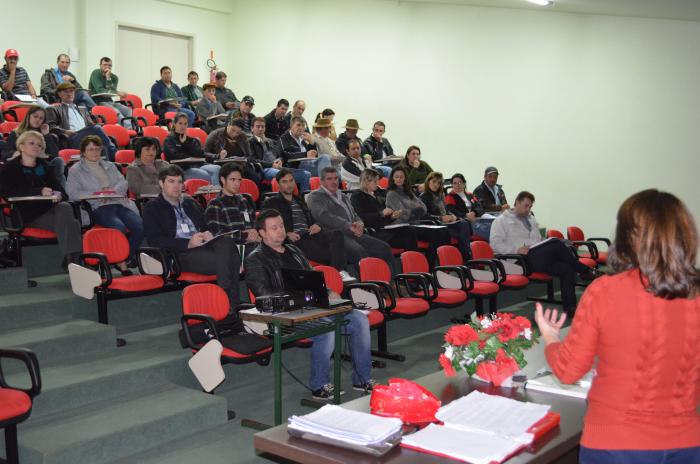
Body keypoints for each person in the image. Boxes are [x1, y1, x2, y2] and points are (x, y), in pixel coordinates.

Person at [535, 189, 700, 464]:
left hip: (614, 446)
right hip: (687, 443)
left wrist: (551, 338)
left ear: (627, 237)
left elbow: (567, 371)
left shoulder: (605, 291)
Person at [245, 209, 374, 399]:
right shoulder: (255, 259)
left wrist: (326, 291)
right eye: (274, 228)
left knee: (359, 320)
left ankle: (362, 378)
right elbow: (262, 294)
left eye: (281, 226)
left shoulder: (295, 250)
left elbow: (312, 278)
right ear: (262, 233)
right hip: (286, 315)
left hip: (313, 306)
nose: (280, 231)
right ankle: (319, 385)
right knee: (326, 328)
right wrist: (299, 297)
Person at [143, 165, 242, 309]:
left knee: (226, 241)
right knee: (230, 260)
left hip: (203, 247)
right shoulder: (152, 208)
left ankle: (228, 305)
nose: (177, 186)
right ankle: (230, 305)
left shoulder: (190, 203)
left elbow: (205, 226)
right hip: (180, 254)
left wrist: (209, 234)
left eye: (179, 182)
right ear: (161, 183)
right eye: (171, 181)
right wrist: (188, 243)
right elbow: (155, 240)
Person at [490, 191, 597, 316]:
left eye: (530, 207)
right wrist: (516, 249)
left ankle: (570, 308)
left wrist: (544, 242)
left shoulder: (531, 219)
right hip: (519, 259)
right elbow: (495, 244)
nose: (528, 209)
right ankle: (585, 271)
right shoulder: (501, 221)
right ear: (517, 202)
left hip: (537, 256)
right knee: (557, 243)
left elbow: (538, 240)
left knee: (566, 268)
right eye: (526, 206)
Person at [0, 130, 82, 269]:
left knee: (65, 207)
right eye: (31, 143)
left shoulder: (46, 167)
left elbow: (61, 190)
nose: (36, 147)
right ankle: (76, 259)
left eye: (39, 145)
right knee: (72, 222)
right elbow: (8, 193)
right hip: (26, 214)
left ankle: (71, 260)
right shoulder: (9, 169)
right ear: (21, 146)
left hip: (50, 210)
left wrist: (59, 195)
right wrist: (39, 191)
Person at [66, 136, 143, 272]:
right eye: (91, 149)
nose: (95, 152)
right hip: (97, 206)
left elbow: (123, 183)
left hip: (118, 203)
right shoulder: (75, 170)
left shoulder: (110, 165)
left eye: (97, 149)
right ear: (83, 152)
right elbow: (72, 193)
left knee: (140, 226)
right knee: (118, 227)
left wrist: (113, 191)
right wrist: (97, 193)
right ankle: (121, 262)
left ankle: (125, 257)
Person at [262, 168, 351, 279]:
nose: (289, 184)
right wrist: (287, 233)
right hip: (297, 238)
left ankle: (339, 273)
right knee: (334, 254)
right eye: (284, 182)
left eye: (291, 180)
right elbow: (267, 223)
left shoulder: (299, 200)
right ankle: (338, 275)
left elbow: (311, 218)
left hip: (311, 234)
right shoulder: (271, 202)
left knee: (336, 234)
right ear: (278, 185)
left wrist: (317, 225)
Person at [306, 167, 395, 273]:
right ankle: (371, 285)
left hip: (354, 232)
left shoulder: (343, 196)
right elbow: (325, 217)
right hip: (336, 235)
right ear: (321, 181)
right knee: (359, 252)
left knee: (384, 248)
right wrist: (348, 225)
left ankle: (392, 283)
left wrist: (360, 224)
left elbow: (355, 214)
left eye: (336, 178)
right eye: (329, 179)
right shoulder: (315, 196)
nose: (334, 181)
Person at [384, 166, 451, 266]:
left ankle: (434, 263)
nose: (399, 179)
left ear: (405, 178)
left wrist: (409, 210)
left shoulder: (409, 192)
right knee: (437, 234)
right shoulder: (391, 194)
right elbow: (403, 216)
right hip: (404, 227)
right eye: (396, 177)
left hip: (415, 223)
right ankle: (430, 266)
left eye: (401, 177)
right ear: (392, 178)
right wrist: (414, 209)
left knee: (444, 232)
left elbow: (423, 208)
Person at [351, 169, 422, 254]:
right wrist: (381, 214)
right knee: (408, 236)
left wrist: (392, 217)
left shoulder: (376, 194)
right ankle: (410, 262)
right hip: (375, 231)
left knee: (410, 230)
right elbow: (361, 217)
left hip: (386, 229)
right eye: (375, 181)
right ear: (366, 181)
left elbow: (384, 217)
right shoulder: (357, 196)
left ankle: (411, 261)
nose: (378, 184)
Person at [45, 82, 116, 161]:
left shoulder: (82, 109)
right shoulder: (54, 109)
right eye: (66, 91)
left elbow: (90, 125)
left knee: (101, 142)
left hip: (86, 136)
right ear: (59, 94)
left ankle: (107, 168)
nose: (69, 94)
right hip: (71, 138)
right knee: (97, 129)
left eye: (71, 91)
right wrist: (65, 131)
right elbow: (50, 127)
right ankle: (115, 154)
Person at [203, 162, 260, 256]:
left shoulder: (244, 201)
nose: (237, 183)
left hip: (253, 246)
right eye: (233, 180)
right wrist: (245, 236)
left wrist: (258, 235)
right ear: (223, 180)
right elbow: (218, 236)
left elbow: (255, 225)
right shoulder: (215, 204)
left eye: (239, 180)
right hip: (233, 251)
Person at [1, 105, 65, 188]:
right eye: (35, 116)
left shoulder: (45, 135)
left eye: (41, 118)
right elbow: (5, 154)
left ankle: (58, 194)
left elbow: (54, 156)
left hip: (43, 166)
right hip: (23, 166)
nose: (38, 120)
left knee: (59, 161)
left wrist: (46, 135)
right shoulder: (16, 133)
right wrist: (15, 153)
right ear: (28, 116)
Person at [420, 172, 473, 260]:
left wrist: (452, 216)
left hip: (446, 223)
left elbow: (446, 210)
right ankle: (465, 258)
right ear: (428, 181)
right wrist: (441, 218)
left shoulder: (440, 195)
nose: (436, 185)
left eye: (439, 183)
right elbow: (424, 215)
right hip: (436, 224)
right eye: (434, 181)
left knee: (464, 223)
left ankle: (465, 256)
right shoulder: (424, 197)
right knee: (462, 231)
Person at [249, 117, 310, 192]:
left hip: (277, 167)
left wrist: (280, 160)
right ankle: (286, 200)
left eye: (263, 126)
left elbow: (279, 155)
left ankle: (303, 199)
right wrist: (271, 165)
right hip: (264, 169)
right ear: (252, 128)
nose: (261, 129)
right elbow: (252, 160)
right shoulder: (249, 142)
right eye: (258, 126)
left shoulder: (270, 141)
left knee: (306, 174)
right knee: (283, 175)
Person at [163, 112, 220, 185]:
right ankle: (213, 195)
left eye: (185, 124)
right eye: (180, 123)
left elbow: (199, 154)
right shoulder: (169, 140)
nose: (183, 126)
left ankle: (217, 194)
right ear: (174, 124)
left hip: (198, 165)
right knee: (206, 175)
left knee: (217, 169)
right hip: (182, 169)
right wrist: (189, 155)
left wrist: (185, 144)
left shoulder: (191, 140)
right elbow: (175, 156)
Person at [203, 117, 260, 183]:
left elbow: (249, 155)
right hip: (221, 164)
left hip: (239, 164)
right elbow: (204, 153)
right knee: (235, 174)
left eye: (238, 132)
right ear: (228, 125)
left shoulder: (242, 136)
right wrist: (217, 156)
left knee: (255, 177)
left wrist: (243, 159)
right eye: (233, 130)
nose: (234, 134)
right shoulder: (215, 134)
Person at [87, 57, 133, 128]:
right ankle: (129, 129)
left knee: (128, 110)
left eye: (109, 65)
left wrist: (108, 77)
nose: (107, 67)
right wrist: (117, 92)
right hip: (97, 101)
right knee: (115, 111)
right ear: (100, 65)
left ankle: (125, 128)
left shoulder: (114, 77)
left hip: (110, 101)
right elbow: (100, 90)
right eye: (105, 65)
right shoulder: (95, 73)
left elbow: (111, 90)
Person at [447, 173, 492, 240]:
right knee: (488, 231)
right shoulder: (449, 197)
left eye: (460, 182)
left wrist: (474, 212)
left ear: (464, 183)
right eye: (455, 183)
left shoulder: (470, 195)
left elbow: (479, 207)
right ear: (452, 185)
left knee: (494, 224)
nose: (457, 185)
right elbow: (452, 212)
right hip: (466, 223)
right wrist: (466, 215)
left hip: (477, 219)